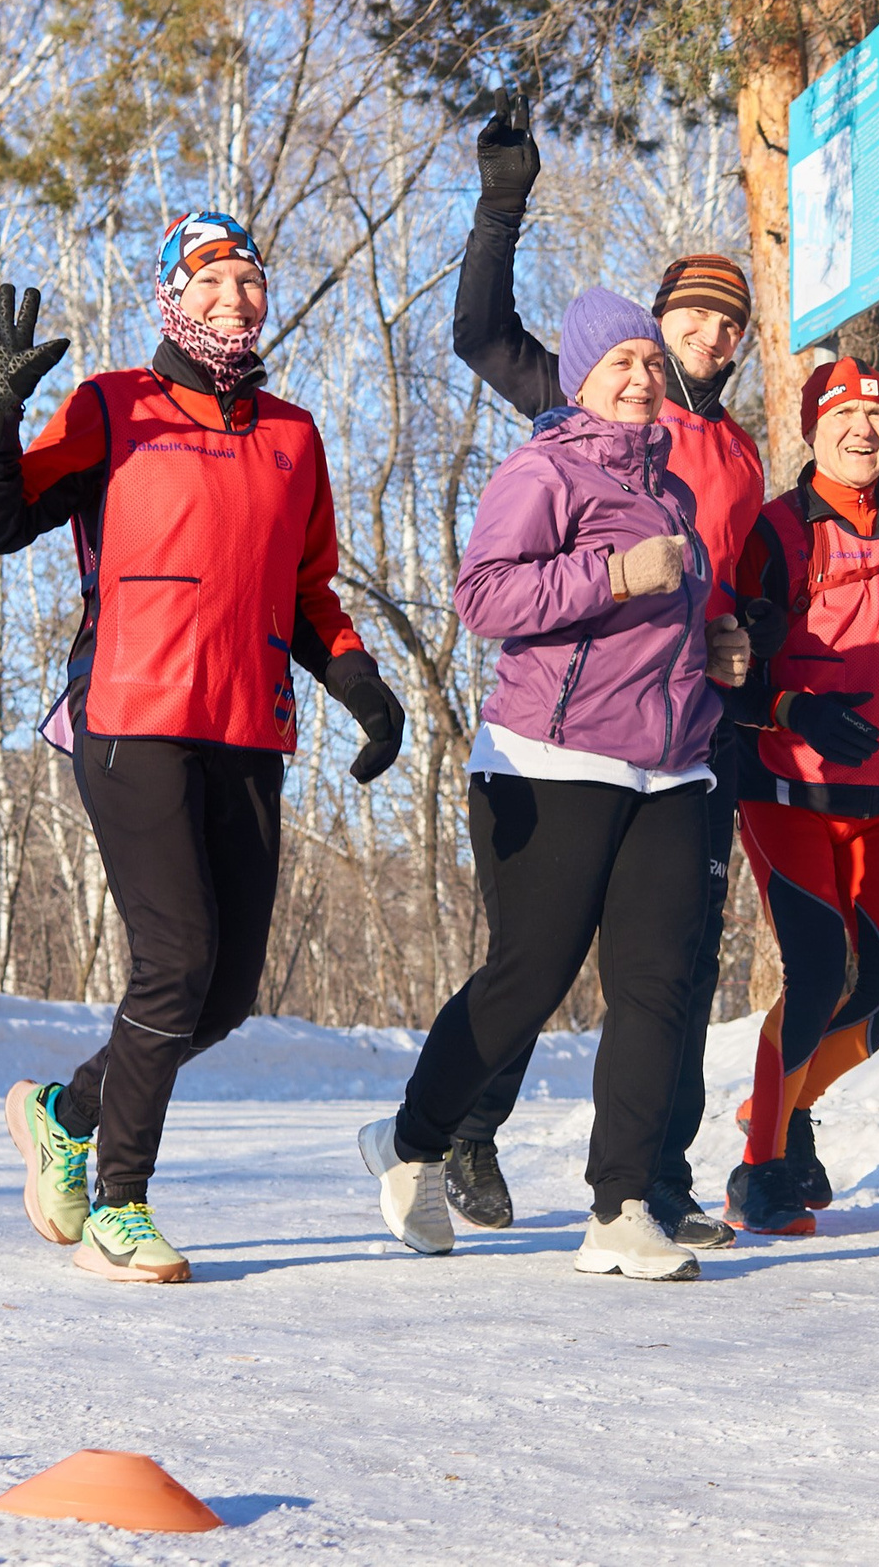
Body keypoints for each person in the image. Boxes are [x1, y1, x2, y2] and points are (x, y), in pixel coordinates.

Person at [0, 212, 407, 1283]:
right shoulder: (116, 405)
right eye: (210, 280)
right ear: (172, 296)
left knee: (226, 992)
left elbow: (304, 592)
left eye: (249, 279)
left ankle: (64, 1111)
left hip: (247, 722)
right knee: (175, 960)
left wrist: (362, 685)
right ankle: (119, 1202)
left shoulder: (294, 434)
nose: (234, 297)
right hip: (130, 713)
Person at [358, 289, 752, 1282]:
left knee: (657, 987)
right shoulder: (542, 469)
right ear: (580, 375)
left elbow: (672, 627)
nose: (640, 377)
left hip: (671, 766)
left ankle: (622, 1207)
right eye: (621, 361)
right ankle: (412, 1139)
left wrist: (721, 645)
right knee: (528, 977)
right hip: (548, 756)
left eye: (651, 364)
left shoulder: (676, 496)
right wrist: (613, 577)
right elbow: (484, 595)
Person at [444, 99, 767, 1248]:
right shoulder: (589, 403)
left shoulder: (735, 450)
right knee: (541, 953)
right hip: (568, 733)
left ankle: (652, 1187)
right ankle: (465, 1123)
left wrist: (738, 648)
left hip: (689, 727)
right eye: (691, 315)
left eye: (729, 324)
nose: (707, 338)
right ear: (653, 323)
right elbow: (481, 335)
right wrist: (501, 209)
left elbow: (733, 588)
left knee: (665, 966)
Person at [724, 357, 879, 1237]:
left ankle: (776, 1109)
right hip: (785, 786)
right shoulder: (775, 532)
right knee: (818, 972)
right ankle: (760, 1172)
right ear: (814, 428)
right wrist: (795, 710)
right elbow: (732, 671)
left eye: (877, 415)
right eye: (845, 416)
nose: (864, 431)